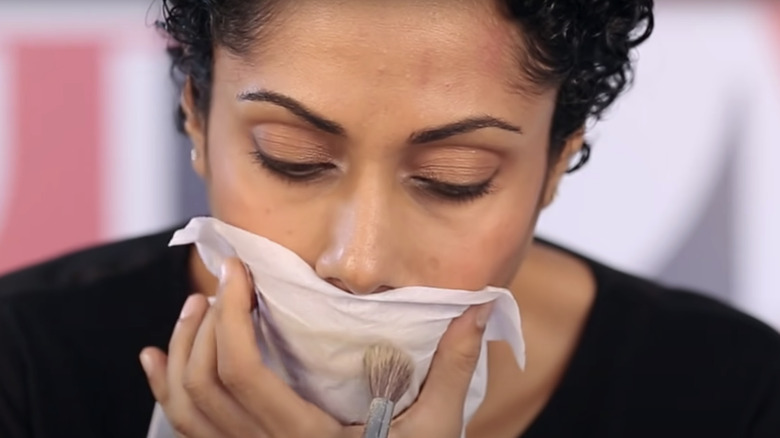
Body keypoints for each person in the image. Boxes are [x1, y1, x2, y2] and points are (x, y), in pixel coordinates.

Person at [1, 0, 779, 437]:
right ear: (197, 123)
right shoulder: (26, 371)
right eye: (292, 157)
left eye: (453, 180)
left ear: (555, 164)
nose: (360, 262)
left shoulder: (735, 398)